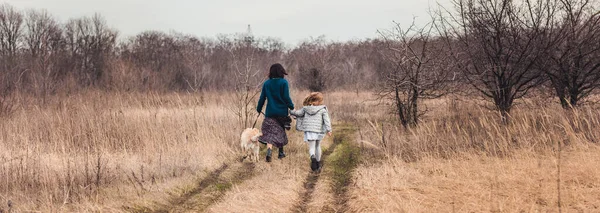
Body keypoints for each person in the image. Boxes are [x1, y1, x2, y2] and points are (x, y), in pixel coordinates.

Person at [256, 63, 294, 162]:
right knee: (280, 132)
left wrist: (259, 109)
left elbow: (262, 98)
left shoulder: (266, 84)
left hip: (270, 112)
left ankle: (269, 150)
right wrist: (291, 106)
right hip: (282, 112)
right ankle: (281, 153)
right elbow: (286, 97)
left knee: (270, 134)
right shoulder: (283, 83)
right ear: (281, 72)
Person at [290, 92, 332, 172]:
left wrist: (290, 110)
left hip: (309, 130)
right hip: (318, 130)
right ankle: (318, 164)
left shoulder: (305, 108)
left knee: (311, 147)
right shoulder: (322, 109)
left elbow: (297, 113)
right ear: (319, 101)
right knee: (318, 146)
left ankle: (313, 157)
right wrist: (329, 130)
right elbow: (327, 120)